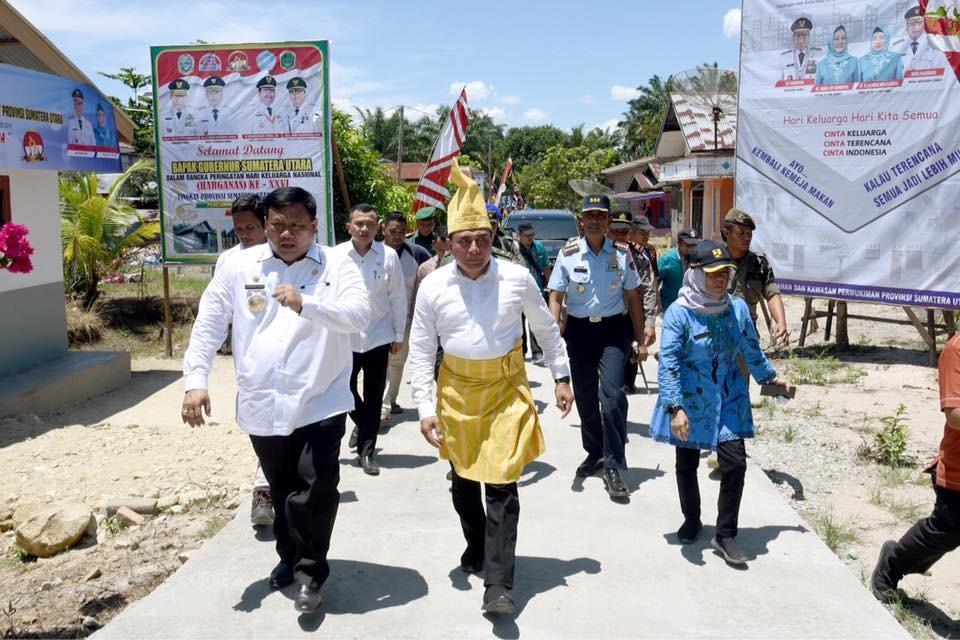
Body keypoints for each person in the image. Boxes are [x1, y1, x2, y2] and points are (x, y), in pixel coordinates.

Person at [181, 186, 371, 614]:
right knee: (283, 489)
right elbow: (210, 321)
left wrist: (309, 304)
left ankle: (310, 572)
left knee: (315, 488)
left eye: (297, 226)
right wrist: (196, 379)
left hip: (319, 400)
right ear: (265, 224)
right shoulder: (237, 264)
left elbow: (360, 316)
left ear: (314, 226)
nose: (287, 234)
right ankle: (289, 556)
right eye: (278, 225)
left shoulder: (337, 265)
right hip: (262, 402)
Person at [408, 158, 573, 614]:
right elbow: (421, 351)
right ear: (450, 242)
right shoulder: (433, 286)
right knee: (463, 484)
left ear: (492, 239)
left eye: (482, 240)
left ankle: (499, 584)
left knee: (502, 485)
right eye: (465, 241)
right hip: (455, 395)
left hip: (505, 392)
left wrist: (561, 376)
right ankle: (476, 544)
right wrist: (425, 408)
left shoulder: (518, 279)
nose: (475, 249)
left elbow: (545, 330)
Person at [650, 240, 790, 565]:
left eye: (724, 273)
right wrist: (675, 407)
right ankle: (692, 518)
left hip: (729, 396)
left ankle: (726, 534)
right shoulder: (679, 313)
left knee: (735, 463)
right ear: (696, 275)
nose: (719, 280)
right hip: (691, 398)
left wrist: (769, 378)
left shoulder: (737, 308)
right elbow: (668, 360)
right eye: (712, 274)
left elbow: (750, 350)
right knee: (687, 463)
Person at [547, 195, 648, 501]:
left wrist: (640, 340)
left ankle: (615, 465)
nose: (594, 221)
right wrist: (553, 332)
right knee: (587, 399)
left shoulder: (622, 255)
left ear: (607, 221)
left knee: (614, 396)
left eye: (600, 216)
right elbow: (555, 295)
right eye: (589, 215)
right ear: (581, 220)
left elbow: (633, 297)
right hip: (579, 332)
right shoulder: (568, 254)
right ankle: (595, 453)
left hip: (614, 331)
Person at [872, 333, 960, 603]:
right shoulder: (956, 350)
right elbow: (955, 416)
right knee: (946, 532)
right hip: (958, 470)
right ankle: (893, 564)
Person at [211, 195, 274, 528]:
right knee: (260, 426)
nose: (245, 234)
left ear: (265, 222)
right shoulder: (229, 261)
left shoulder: (285, 255)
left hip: (286, 361)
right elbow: (216, 309)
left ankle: (269, 489)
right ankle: (266, 488)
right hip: (249, 362)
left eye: (251, 227)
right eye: (239, 229)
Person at [339, 204, 406, 476]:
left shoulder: (388, 256)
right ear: (349, 227)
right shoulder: (336, 256)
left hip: (379, 335)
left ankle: (367, 452)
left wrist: (398, 335)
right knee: (344, 388)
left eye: (370, 224)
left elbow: (398, 297)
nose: (364, 229)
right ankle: (365, 423)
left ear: (377, 228)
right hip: (346, 336)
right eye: (359, 224)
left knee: (375, 394)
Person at [380, 211, 430, 421]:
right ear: (384, 230)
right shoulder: (374, 253)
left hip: (407, 319)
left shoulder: (417, 253)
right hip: (379, 319)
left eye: (402, 231)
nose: (398, 236)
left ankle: (390, 400)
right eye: (393, 231)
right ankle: (380, 407)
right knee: (380, 362)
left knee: (398, 362)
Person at [607, 211, 658, 394]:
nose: (620, 235)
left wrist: (650, 323)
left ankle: (626, 383)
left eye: (624, 231)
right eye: (616, 231)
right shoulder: (601, 252)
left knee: (630, 349)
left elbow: (649, 289)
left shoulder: (638, 256)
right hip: (604, 316)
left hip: (630, 314)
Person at [722, 209, 789, 347]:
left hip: (748, 333)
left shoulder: (759, 263)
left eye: (749, 234)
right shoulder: (714, 262)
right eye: (741, 233)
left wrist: (781, 322)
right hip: (718, 332)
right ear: (726, 233)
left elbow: (772, 294)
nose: (747, 238)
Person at [516, 221, 551, 365]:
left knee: (535, 322)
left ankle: (537, 353)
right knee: (518, 323)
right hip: (517, 291)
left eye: (532, 234)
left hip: (535, 290)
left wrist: (551, 288)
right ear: (520, 236)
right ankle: (521, 351)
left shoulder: (539, 247)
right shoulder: (514, 249)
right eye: (526, 235)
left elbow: (546, 268)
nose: (530, 238)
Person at [658, 228, 702, 311]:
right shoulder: (668, 259)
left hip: (693, 307)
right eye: (688, 245)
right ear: (679, 243)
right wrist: (658, 307)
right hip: (670, 306)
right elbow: (654, 283)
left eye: (694, 245)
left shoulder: (698, 258)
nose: (691, 249)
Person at [892, 6, 948, 71]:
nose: (915, 26)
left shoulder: (936, 45)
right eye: (911, 22)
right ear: (906, 26)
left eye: (919, 22)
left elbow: (942, 72)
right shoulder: (896, 47)